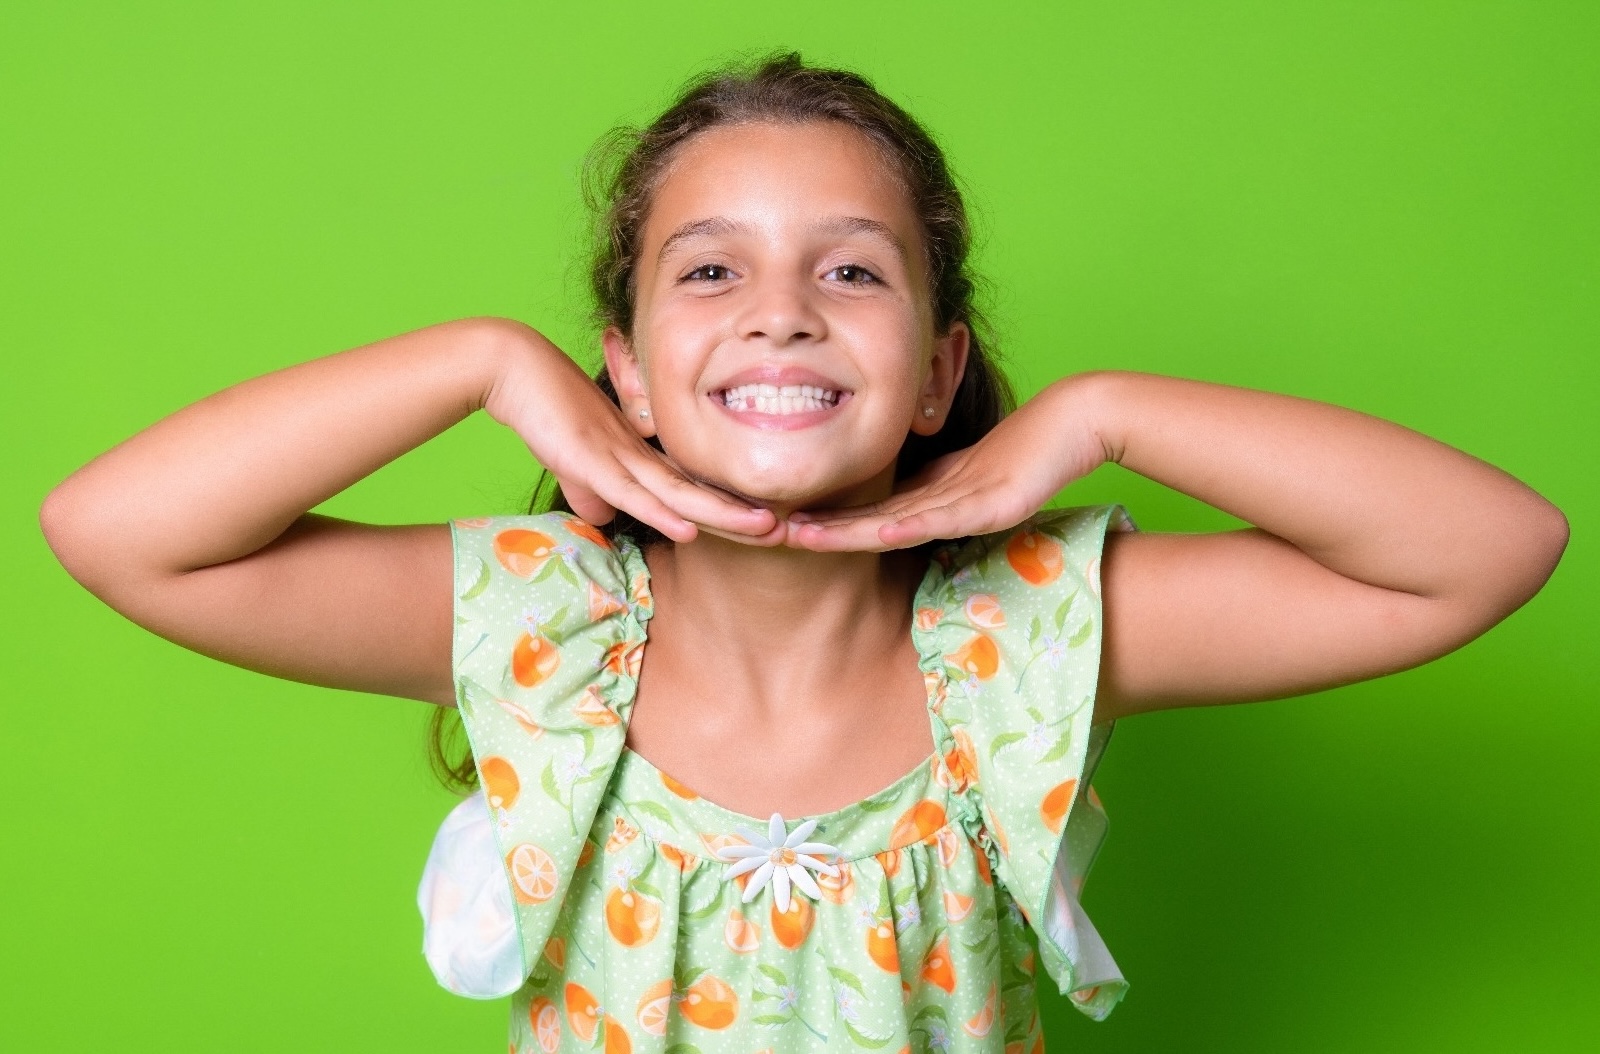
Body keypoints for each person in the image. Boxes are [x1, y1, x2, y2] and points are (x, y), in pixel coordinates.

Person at [39, 53, 1566, 1054]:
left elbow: (1487, 550)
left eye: (852, 269)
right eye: (710, 272)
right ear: (623, 372)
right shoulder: (540, 620)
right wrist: (480, 359)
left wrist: (1103, 415)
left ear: (933, 368)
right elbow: (118, 533)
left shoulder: (1030, 637)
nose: (782, 311)